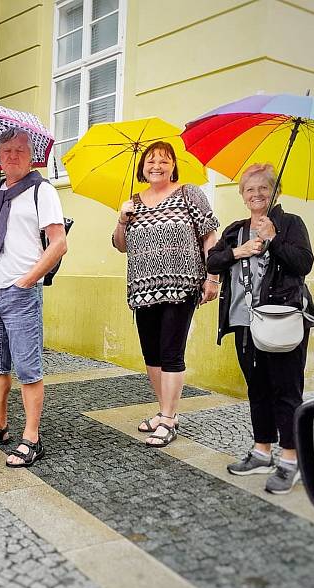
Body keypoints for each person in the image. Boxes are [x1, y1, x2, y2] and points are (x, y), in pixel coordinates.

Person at [206, 163, 314, 494]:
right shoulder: (236, 230)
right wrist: (238, 251)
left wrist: (273, 239)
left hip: (282, 321)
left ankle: (290, 460)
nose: (256, 194)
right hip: (244, 322)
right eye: (249, 189)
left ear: (276, 192)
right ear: (242, 195)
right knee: (257, 388)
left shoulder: (290, 224)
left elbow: (304, 264)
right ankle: (262, 451)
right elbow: (213, 261)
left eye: (263, 188)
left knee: (286, 390)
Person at [0, 127, 67, 468]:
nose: (12, 157)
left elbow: (59, 243)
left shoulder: (42, 190)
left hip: (19, 291)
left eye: (19, 150)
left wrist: (27, 280)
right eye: (6, 152)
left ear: (30, 154)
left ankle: (32, 437)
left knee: (27, 368)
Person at [112, 141, 219, 448]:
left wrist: (213, 277)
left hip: (181, 285)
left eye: (164, 160)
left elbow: (210, 235)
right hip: (142, 289)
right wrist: (122, 218)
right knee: (152, 355)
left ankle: (169, 419)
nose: (157, 165)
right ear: (142, 167)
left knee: (171, 352)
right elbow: (120, 245)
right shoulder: (133, 202)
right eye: (151, 161)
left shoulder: (189, 193)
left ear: (174, 166)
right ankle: (163, 411)